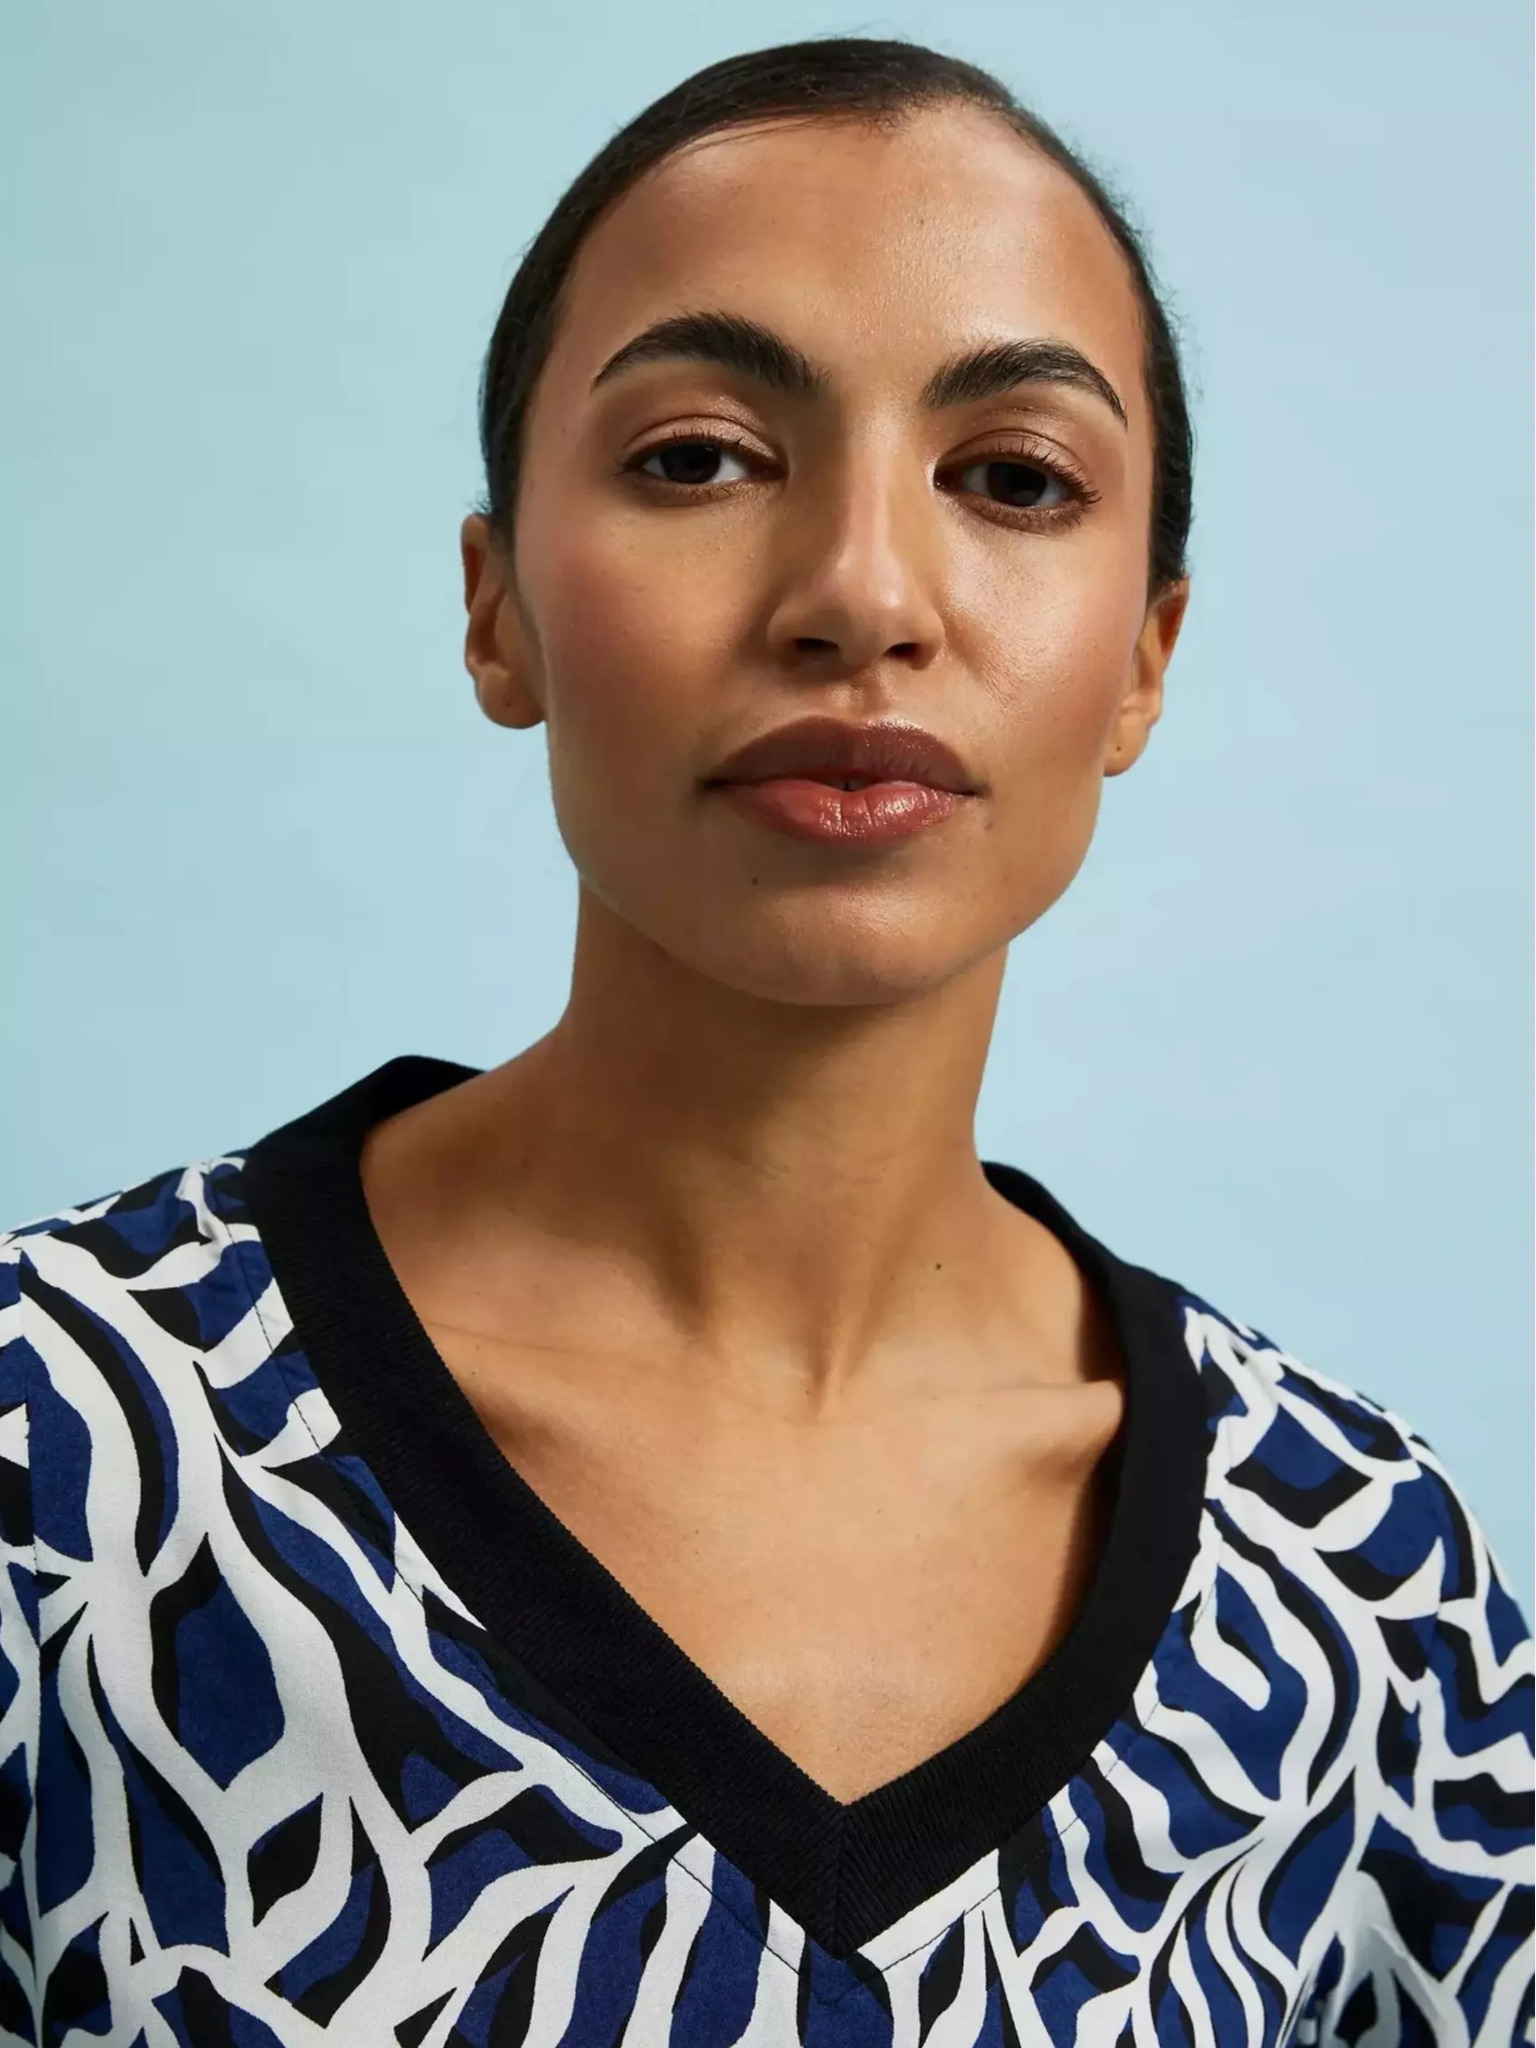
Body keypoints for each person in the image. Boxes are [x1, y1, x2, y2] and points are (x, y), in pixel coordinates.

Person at [1, 35, 1529, 2047]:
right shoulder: (60, 1459)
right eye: (701, 458)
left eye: (1014, 480)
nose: (862, 596)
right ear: (497, 607)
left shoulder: (1367, 1593)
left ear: (1145, 660)